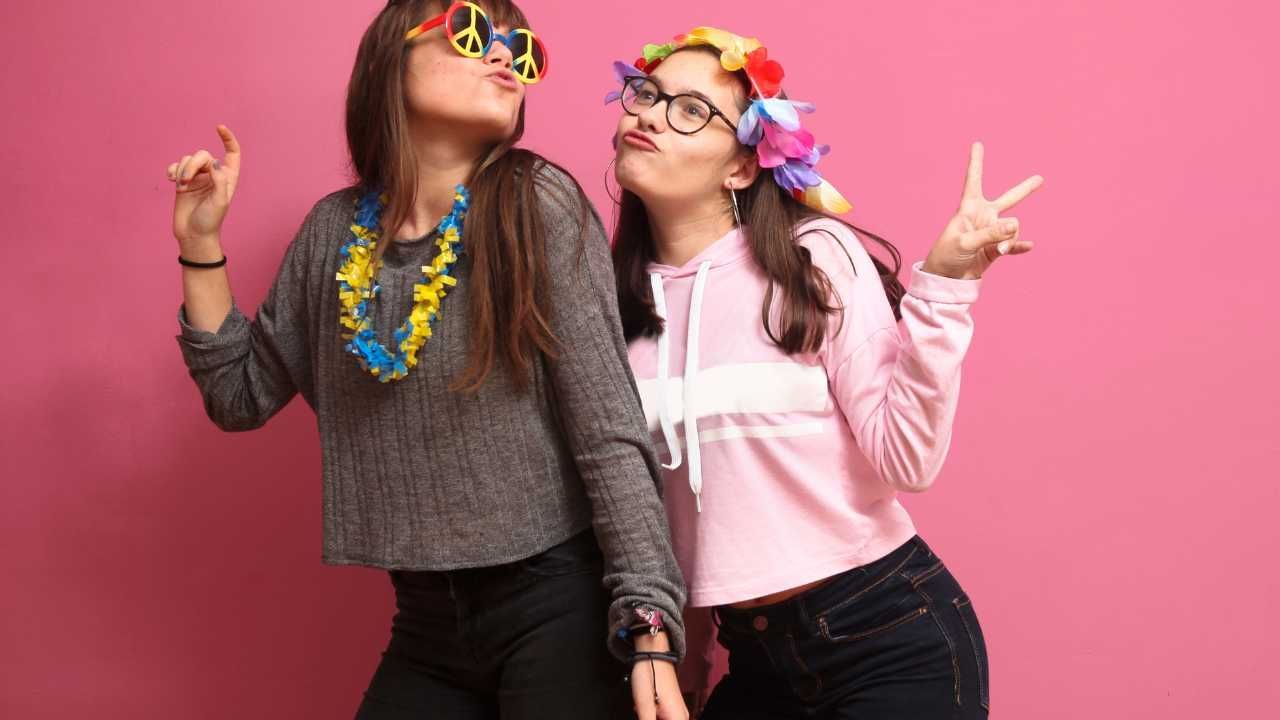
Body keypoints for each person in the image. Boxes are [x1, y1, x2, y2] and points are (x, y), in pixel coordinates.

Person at [165, 2, 691, 717]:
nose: (504, 55)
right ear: (389, 61)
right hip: (424, 619)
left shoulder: (533, 206)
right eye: (472, 32)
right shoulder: (333, 233)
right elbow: (239, 396)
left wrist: (649, 625)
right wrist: (201, 244)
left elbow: (607, 430)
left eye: (521, 48)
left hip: (558, 600)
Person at [606, 26, 1043, 719]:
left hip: (888, 636)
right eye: (646, 93)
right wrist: (680, 665)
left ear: (742, 167)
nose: (650, 114)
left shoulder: (811, 259)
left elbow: (908, 460)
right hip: (754, 659)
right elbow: (653, 518)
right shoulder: (614, 309)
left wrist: (947, 291)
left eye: (690, 109)